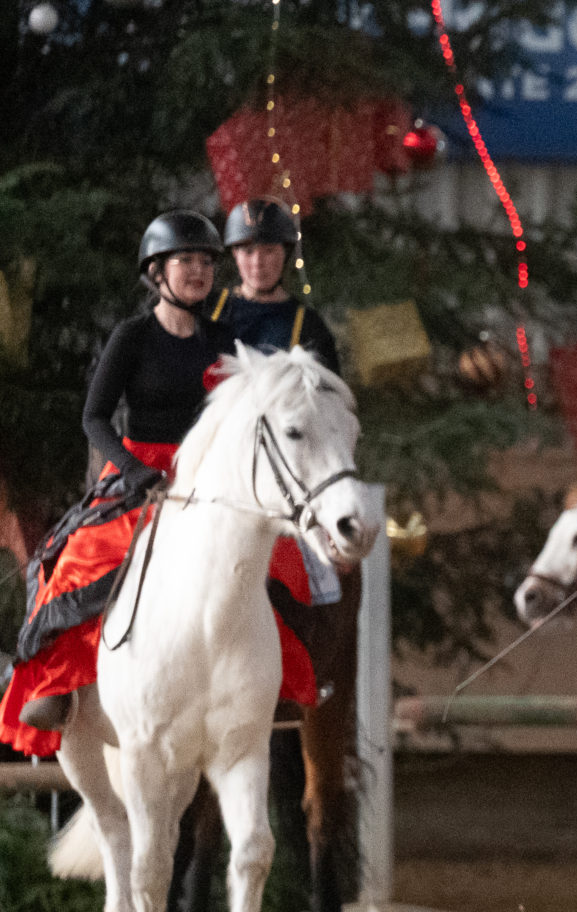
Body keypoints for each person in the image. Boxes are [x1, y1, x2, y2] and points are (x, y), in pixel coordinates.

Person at [2, 211, 320, 754]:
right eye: (185, 261)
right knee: (81, 558)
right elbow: (94, 419)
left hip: (209, 476)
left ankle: (277, 686)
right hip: (138, 472)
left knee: (284, 559)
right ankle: (57, 688)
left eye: (206, 262)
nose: (198, 271)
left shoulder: (224, 339)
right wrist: (131, 470)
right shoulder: (131, 337)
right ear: (156, 272)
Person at [209, 198, 342, 373]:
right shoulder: (212, 310)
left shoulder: (308, 325)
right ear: (235, 254)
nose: (257, 262)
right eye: (248, 251)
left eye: (269, 251)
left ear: (284, 253)